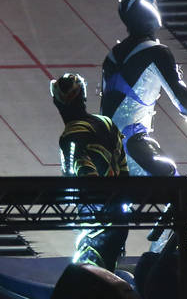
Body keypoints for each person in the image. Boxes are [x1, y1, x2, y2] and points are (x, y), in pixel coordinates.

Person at [100, 0, 187, 177]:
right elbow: (182, 101)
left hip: (104, 145)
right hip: (133, 143)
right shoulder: (156, 52)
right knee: (173, 184)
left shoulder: (111, 56)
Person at [51, 73, 129, 273]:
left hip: (95, 223)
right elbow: (124, 171)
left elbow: (77, 178)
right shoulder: (107, 123)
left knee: (88, 279)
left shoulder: (71, 135)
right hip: (120, 216)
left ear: (58, 103)